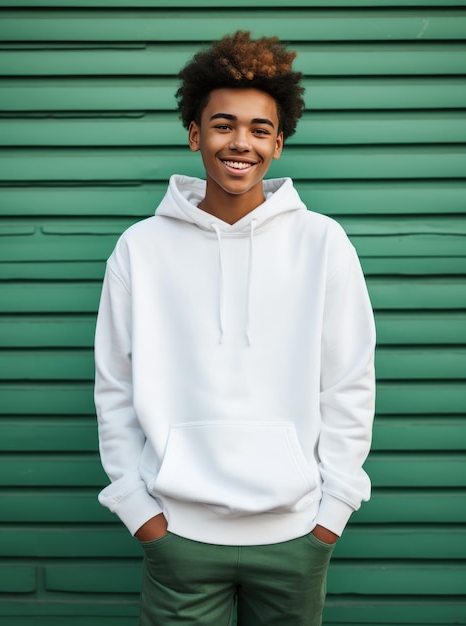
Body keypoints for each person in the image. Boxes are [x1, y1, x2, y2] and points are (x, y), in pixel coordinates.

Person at [94, 31, 376, 626]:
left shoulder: (322, 243)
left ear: (278, 143)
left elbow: (349, 383)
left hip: (297, 535)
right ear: (195, 134)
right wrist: (136, 509)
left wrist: (333, 513)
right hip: (178, 537)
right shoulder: (140, 249)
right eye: (223, 125)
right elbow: (114, 387)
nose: (240, 142)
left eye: (259, 129)